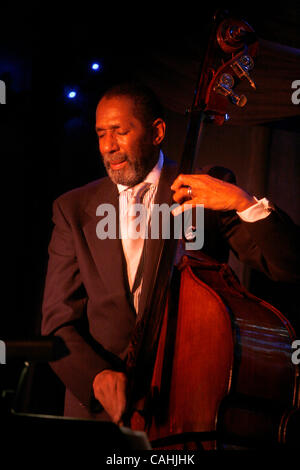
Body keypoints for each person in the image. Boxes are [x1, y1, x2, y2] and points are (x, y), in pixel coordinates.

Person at [41, 81, 299, 425]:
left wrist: (242, 202)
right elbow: (57, 323)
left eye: (120, 132)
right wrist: (95, 376)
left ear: (157, 132)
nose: (108, 146)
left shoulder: (205, 187)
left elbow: (288, 267)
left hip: (188, 402)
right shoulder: (71, 208)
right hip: (100, 413)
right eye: (101, 133)